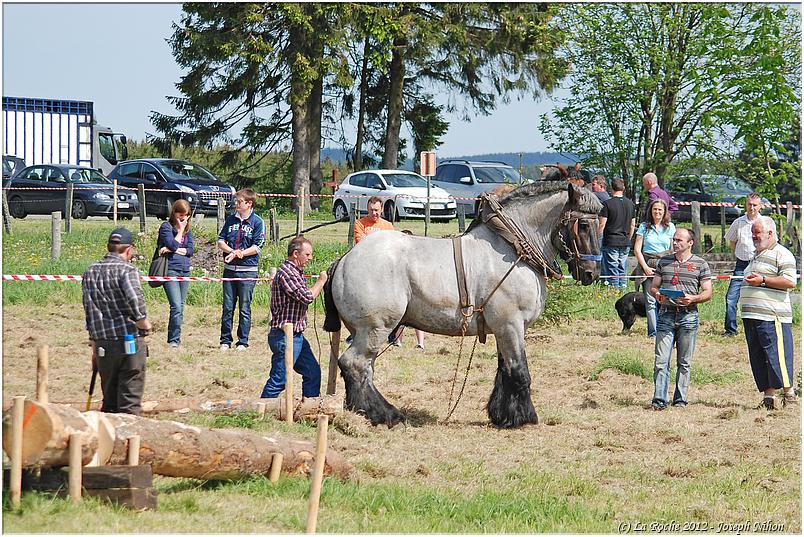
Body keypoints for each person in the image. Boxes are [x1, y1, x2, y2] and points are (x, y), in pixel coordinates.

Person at [82, 228, 152, 415]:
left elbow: (88, 308)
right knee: (129, 401)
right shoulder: (127, 270)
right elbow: (134, 298)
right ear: (129, 250)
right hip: (128, 340)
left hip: (103, 343)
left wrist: (94, 342)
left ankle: (107, 441)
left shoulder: (91, 271)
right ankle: (128, 442)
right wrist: (143, 321)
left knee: (110, 402)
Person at [648, 228, 713, 410]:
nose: (675, 243)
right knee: (661, 361)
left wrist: (693, 298)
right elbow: (654, 287)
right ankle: (659, 400)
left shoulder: (701, 264)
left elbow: (708, 292)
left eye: (679, 240)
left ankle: (680, 400)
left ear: (690, 243)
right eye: (674, 239)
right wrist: (657, 295)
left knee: (684, 362)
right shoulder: (664, 261)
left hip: (689, 316)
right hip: (666, 314)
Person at [739, 216, 798, 410]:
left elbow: (790, 281)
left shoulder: (782, 254)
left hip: (773, 316)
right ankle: (769, 398)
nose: (753, 236)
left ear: (770, 233)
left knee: (777, 355)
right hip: (752, 315)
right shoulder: (754, 255)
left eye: (757, 232)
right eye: (752, 232)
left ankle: (789, 395)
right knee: (758, 356)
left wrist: (763, 279)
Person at [260, 236, 327, 399]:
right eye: (308, 254)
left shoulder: (295, 272)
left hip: (296, 336)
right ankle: (261, 410)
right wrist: (321, 281)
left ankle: (309, 407)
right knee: (279, 379)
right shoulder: (288, 273)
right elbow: (307, 297)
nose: (310, 258)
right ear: (296, 254)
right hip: (285, 336)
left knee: (312, 372)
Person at [217, 189, 266, 351]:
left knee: (244, 307)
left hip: (248, 271)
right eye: (236, 201)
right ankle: (225, 340)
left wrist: (240, 253)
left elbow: (258, 246)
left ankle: (243, 341)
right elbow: (221, 240)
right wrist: (232, 252)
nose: (236, 204)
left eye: (239, 202)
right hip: (229, 270)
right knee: (228, 306)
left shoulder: (257, 222)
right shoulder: (231, 220)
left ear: (249, 203)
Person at [723, 193, 774, 337]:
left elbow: (772, 242)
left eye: (755, 205)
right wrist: (741, 253)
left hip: (761, 264)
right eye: (749, 204)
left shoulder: (767, 222)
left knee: (762, 297)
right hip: (741, 265)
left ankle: (764, 326)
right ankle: (731, 329)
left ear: (760, 206)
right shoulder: (738, 222)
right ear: (746, 204)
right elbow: (732, 242)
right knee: (731, 299)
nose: (752, 208)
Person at [633, 199, 675, 338]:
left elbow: (673, 249)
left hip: (665, 264)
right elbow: (637, 250)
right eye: (655, 209)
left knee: (665, 299)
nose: (657, 212)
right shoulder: (644, 227)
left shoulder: (670, 227)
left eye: (660, 210)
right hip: (648, 264)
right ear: (651, 211)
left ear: (664, 212)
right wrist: (644, 267)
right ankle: (653, 332)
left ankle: (666, 329)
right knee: (650, 300)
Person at [158, 199, 195, 348]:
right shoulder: (166, 227)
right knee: (176, 306)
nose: (184, 218)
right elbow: (172, 244)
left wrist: (174, 249)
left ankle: (176, 338)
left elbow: (190, 251)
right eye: (181, 215)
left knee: (181, 305)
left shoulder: (189, 230)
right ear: (174, 213)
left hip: (184, 271)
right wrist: (179, 231)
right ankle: (173, 340)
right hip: (170, 270)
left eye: (187, 215)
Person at [598, 178, 635, 290]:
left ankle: (613, 290)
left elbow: (601, 225)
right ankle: (623, 289)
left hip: (611, 240)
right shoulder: (631, 204)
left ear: (611, 188)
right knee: (622, 266)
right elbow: (632, 225)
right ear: (623, 188)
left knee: (612, 267)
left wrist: (598, 238)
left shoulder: (607, 204)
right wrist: (629, 237)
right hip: (625, 240)